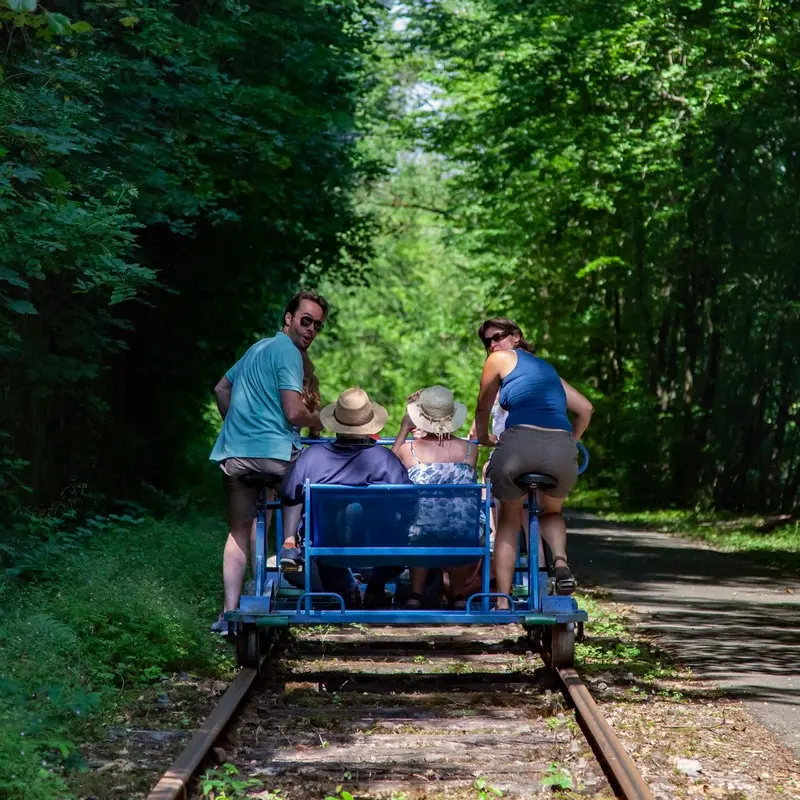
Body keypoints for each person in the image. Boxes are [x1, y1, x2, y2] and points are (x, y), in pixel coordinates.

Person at [209, 290, 328, 632]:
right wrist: (319, 420)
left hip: (235, 455)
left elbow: (220, 389)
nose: (310, 330)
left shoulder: (255, 349)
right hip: (275, 455)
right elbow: (293, 413)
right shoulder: (288, 352)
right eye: (306, 321)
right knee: (303, 472)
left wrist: (237, 425)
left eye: (317, 326)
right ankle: (289, 546)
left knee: (238, 530)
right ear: (288, 318)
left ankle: (231, 612)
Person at [473, 317, 593, 609]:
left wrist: (484, 437)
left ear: (516, 337)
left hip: (519, 444)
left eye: (497, 336)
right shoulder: (546, 370)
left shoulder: (498, 359)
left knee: (508, 522)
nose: (492, 345)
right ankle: (561, 562)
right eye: (486, 341)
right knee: (551, 512)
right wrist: (569, 442)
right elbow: (586, 409)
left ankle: (502, 602)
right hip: (561, 449)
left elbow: (482, 406)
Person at [281, 387, 413, 609]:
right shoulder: (385, 459)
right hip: (380, 548)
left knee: (324, 539)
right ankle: (376, 586)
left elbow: (288, 494)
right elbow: (410, 502)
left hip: (327, 549)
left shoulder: (312, 457)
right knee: (400, 531)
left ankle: (346, 590)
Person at [392, 386, 480, 610]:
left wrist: (403, 431)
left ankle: (416, 593)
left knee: (421, 523)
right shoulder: (470, 450)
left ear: (419, 418)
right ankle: (459, 594)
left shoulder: (408, 450)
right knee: (456, 519)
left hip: (420, 531)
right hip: (464, 531)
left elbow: (388, 467)